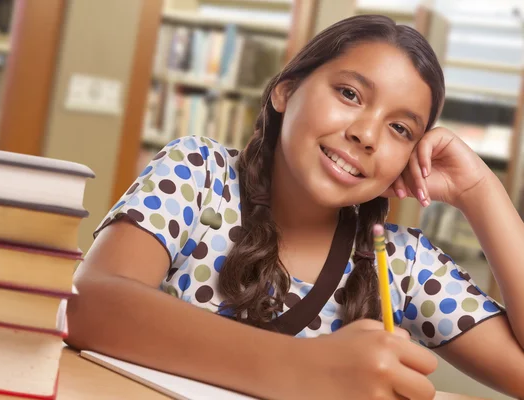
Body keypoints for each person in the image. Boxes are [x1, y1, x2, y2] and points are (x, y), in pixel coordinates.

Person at [65, 14, 524, 399]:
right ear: (285, 91)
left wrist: (481, 192)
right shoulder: (199, 174)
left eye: (401, 129)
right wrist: (303, 369)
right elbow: (91, 303)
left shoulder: (401, 265)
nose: (366, 134)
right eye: (349, 94)